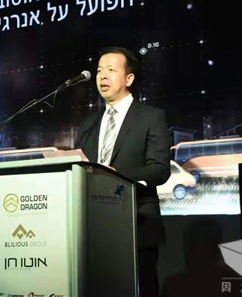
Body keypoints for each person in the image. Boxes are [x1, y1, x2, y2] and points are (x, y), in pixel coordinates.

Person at [75, 46, 171, 297]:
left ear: (129, 78)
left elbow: (160, 170)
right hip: (95, 225)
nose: (102, 76)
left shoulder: (151, 117)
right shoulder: (88, 124)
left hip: (137, 221)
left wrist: (115, 174)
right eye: (99, 70)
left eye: (111, 69)